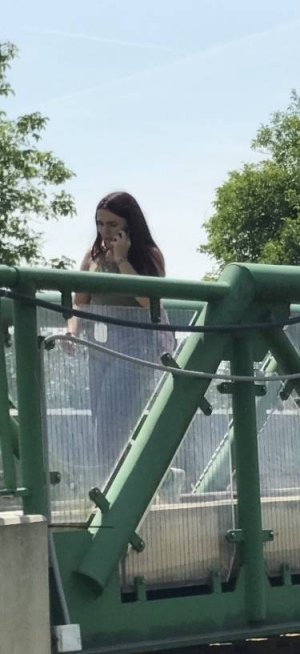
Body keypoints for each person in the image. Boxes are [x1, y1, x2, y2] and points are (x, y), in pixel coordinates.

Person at [70, 192, 168, 478]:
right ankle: (126, 480)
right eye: (100, 224)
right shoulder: (92, 256)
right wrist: (72, 330)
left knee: (113, 418)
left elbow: (149, 301)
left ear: (130, 223)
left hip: (136, 348)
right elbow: (80, 300)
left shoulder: (149, 254)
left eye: (113, 224)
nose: (105, 231)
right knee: (100, 418)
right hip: (98, 345)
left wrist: (123, 260)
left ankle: (116, 486)